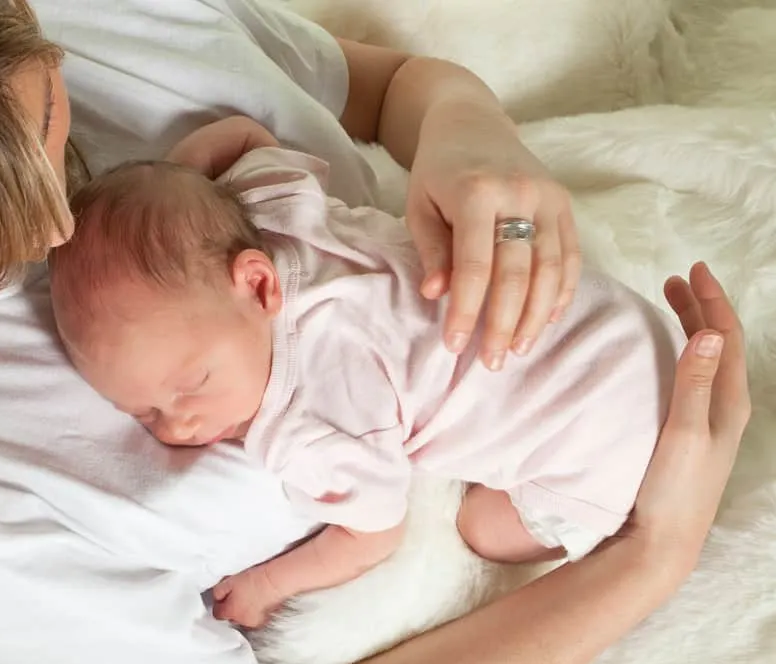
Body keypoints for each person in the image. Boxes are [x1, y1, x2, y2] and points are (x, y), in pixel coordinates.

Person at [0, 1, 749, 664]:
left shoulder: (96, 16)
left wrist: (468, 132)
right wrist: (652, 556)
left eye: (40, 118)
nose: (53, 226)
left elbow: (385, 87)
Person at [47, 118, 685, 628]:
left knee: (480, 527)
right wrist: (177, 185)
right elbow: (243, 134)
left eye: (192, 385)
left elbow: (373, 533)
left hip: (608, 445)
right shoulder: (273, 210)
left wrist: (268, 583)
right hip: (622, 325)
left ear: (259, 283)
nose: (179, 424)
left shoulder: (307, 420)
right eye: (145, 414)